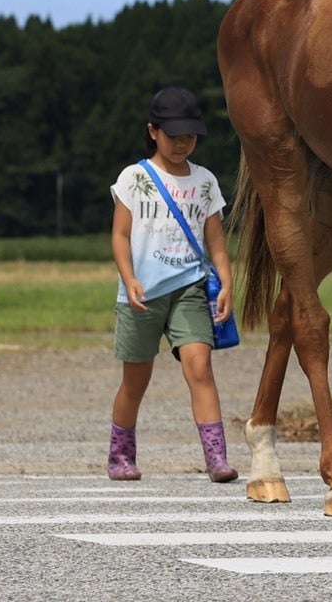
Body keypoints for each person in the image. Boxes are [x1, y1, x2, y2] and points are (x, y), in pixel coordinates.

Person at [107, 86, 237, 483]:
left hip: (190, 288)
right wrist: (128, 279)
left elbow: (215, 239)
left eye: (190, 136)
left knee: (200, 366)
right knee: (135, 380)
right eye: (173, 135)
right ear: (152, 131)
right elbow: (120, 236)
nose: (183, 144)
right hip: (143, 293)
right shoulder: (134, 177)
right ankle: (120, 456)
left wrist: (227, 279)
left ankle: (217, 459)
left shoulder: (205, 181)